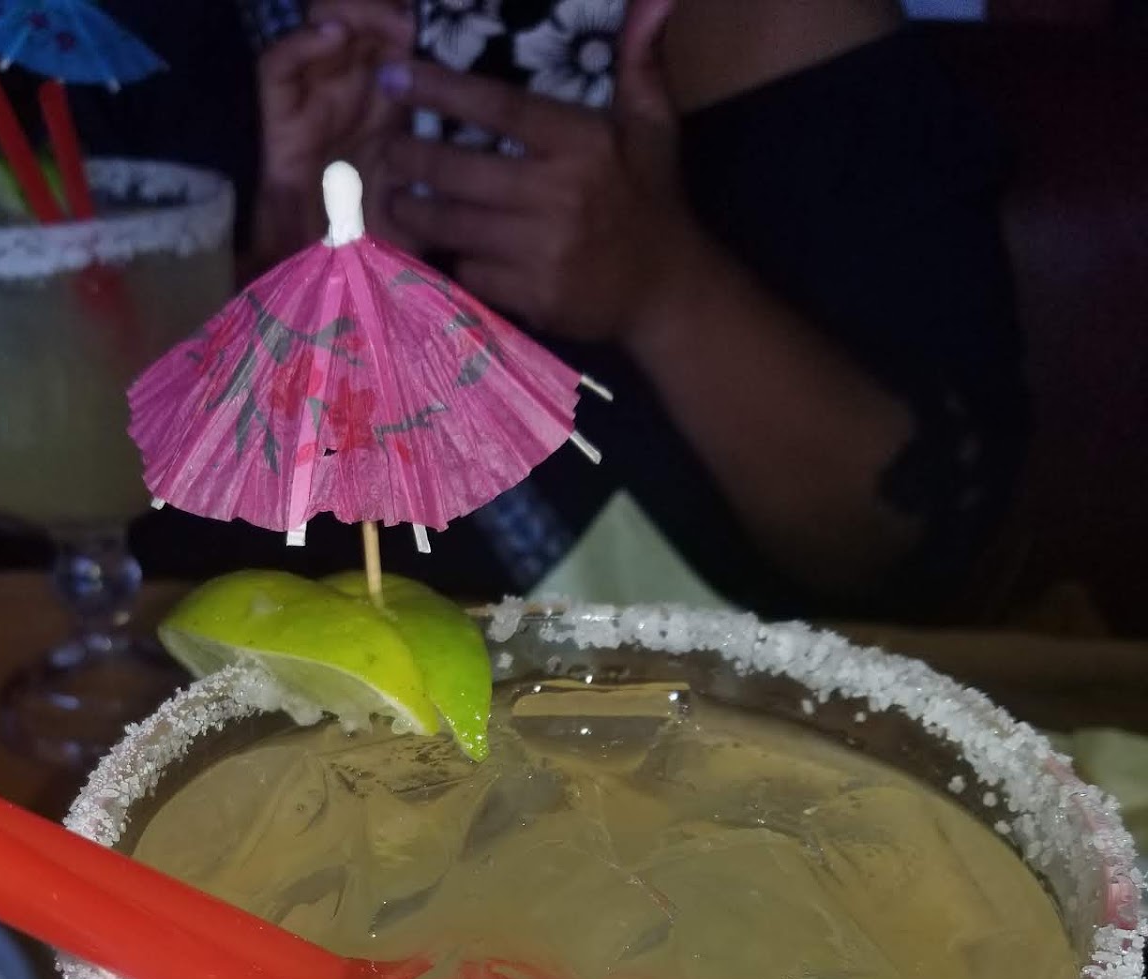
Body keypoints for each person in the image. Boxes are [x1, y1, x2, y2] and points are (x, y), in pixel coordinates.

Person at [98, 1, 1029, 621]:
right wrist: (277, 293)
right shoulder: (124, 38)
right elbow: (69, 485)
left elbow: (908, 545)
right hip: (240, 701)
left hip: (689, 733)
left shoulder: (746, 29)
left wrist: (665, 288)